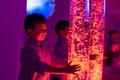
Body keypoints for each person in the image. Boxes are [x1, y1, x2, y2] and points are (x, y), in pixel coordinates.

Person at [18, 14, 80, 80]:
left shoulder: (45, 49)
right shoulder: (28, 49)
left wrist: (75, 62)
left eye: (45, 29)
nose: (45, 32)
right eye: (41, 29)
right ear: (30, 31)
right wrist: (65, 70)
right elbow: (40, 66)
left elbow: (54, 62)